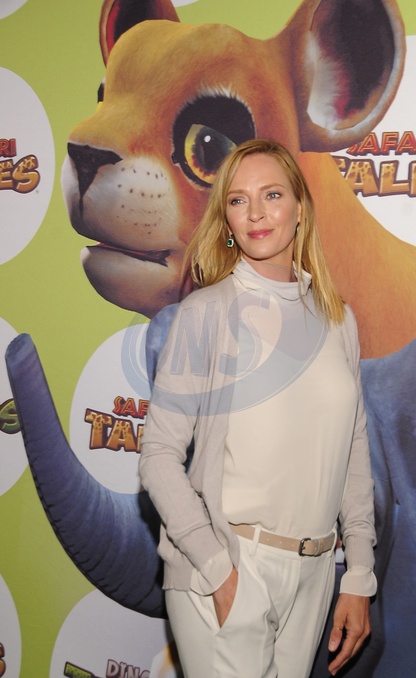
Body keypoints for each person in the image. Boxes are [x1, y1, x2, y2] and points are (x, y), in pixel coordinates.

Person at [139, 139, 377, 678]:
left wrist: (359, 571)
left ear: (300, 209)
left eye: (272, 194)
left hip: (316, 575)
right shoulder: (205, 313)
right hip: (229, 566)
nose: (256, 213)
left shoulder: (339, 320)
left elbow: (353, 453)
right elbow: (158, 456)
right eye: (238, 200)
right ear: (226, 219)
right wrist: (219, 571)